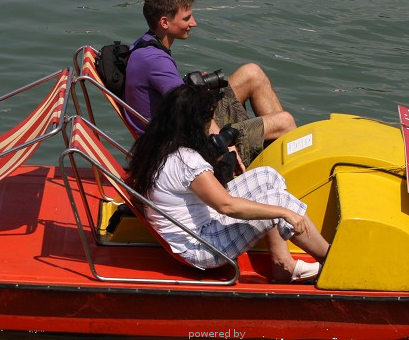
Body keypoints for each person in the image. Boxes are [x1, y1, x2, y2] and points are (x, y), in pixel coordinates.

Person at [127, 83, 329, 282]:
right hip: (201, 245)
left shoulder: (159, 143)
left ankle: (283, 264)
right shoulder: (187, 160)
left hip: (192, 229)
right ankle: (332, 263)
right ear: (198, 123)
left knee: (268, 176)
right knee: (280, 202)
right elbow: (226, 206)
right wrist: (285, 212)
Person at [123, 0, 296, 166]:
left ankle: (273, 155)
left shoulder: (144, 44)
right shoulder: (157, 61)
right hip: (179, 142)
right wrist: (222, 145)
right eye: (187, 18)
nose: (193, 23)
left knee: (252, 73)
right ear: (165, 22)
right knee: (284, 122)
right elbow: (191, 111)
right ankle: (292, 169)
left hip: (175, 124)